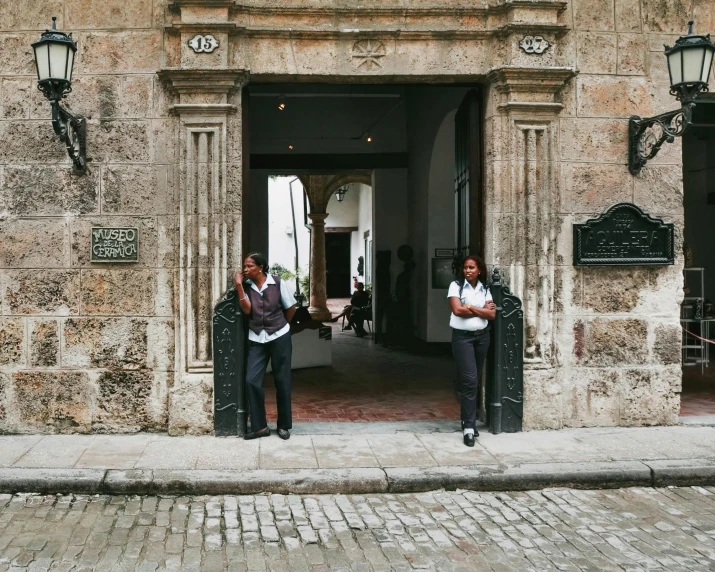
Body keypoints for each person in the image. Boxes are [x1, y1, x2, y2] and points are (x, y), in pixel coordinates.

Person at [234, 252, 297, 441]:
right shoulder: (247, 286)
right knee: (252, 380)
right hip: (256, 338)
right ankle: (260, 427)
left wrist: (282, 326)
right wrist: (238, 285)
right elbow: (247, 310)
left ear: (260, 267)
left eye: (249, 266)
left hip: (279, 336)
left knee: (282, 381)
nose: (245, 269)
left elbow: (291, 307)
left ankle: (284, 426)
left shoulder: (277, 283)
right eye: (244, 266)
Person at [448, 255, 496, 447]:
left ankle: (466, 419)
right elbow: (457, 310)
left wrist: (469, 306)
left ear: (479, 270)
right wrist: (479, 308)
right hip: (463, 338)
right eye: (465, 267)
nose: (467, 270)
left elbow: (491, 314)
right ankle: (469, 427)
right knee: (470, 380)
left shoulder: (486, 288)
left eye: (471, 268)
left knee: (474, 381)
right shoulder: (456, 286)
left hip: (482, 337)